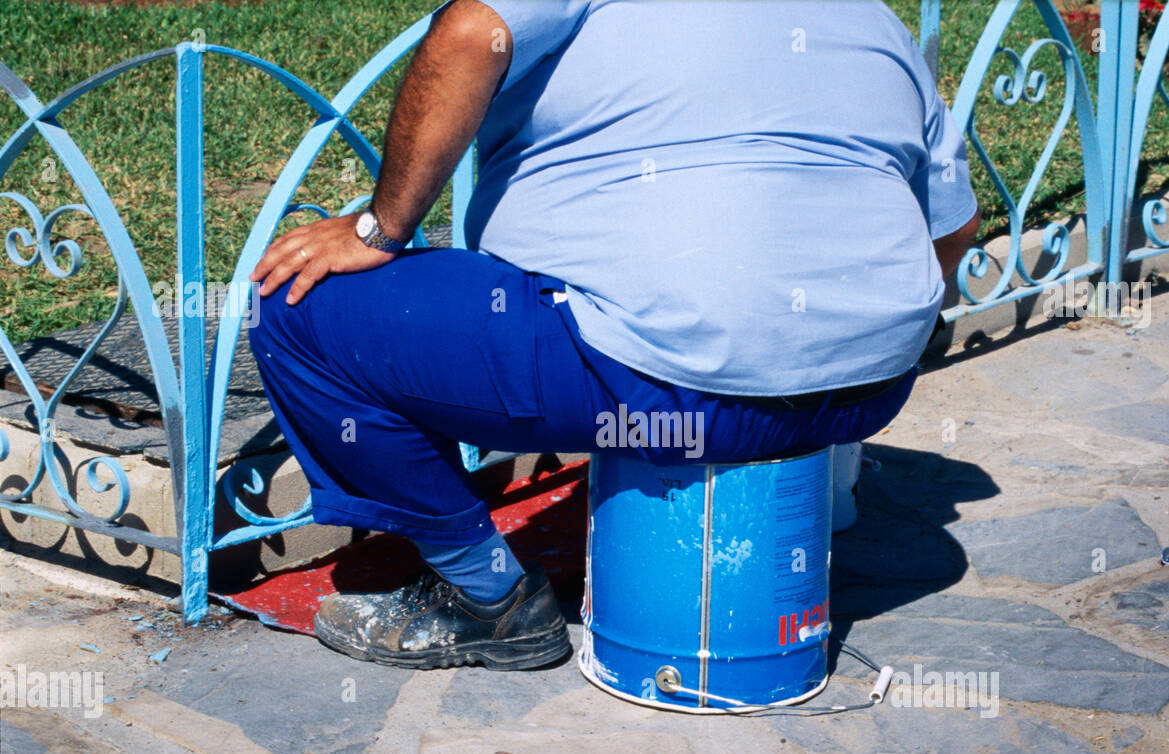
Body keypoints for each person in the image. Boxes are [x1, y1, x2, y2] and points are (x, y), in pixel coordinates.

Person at [248, 0, 980, 670]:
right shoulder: (875, 18)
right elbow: (954, 231)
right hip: (869, 389)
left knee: (297, 306)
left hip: (672, 389)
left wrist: (383, 225)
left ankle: (488, 601)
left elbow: (471, 33)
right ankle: (816, 478)